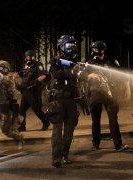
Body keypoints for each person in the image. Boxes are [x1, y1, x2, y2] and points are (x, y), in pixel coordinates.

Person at [85, 41, 130, 152]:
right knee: (95, 120)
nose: (94, 51)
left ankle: (118, 145)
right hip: (95, 93)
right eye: (93, 49)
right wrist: (90, 76)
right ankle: (95, 143)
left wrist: (127, 86)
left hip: (111, 93)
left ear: (102, 50)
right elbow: (83, 76)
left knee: (113, 119)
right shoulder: (90, 62)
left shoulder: (111, 61)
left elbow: (122, 74)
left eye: (96, 49)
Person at [46, 35, 80, 168]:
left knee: (69, 130)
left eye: (73, 45)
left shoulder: (76, 61)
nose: (72, 48)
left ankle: (65, 155)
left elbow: (79, 78)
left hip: (71, 100)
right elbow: (55, 74)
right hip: (58, 100)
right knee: (57, 130)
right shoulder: (55, 60)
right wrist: (72, 71)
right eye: (69, 45)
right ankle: (56, 158)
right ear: (61, 47)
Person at [0, 60, 25, 158]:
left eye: (1, 68)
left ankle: (19, 137)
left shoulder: (10, 78)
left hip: (5, 109)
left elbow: (4, 79)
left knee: (6, 131)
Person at [15, 50, 50, 131]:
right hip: (25, 91)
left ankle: (46, 122)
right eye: (28, 57)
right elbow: (21, 73)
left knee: (37, 109)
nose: (29, 58)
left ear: (34, 56)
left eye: (31, 56)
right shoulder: (26, 66)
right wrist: (15, 75)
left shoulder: (38, 65)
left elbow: (44, 75)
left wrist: (36, 81)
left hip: (33, 91)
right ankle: (22, 126)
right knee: (22, 110)